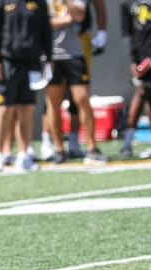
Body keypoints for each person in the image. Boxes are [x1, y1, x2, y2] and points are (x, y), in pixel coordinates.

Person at [0, 0, 52, 172]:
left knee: (27, 109)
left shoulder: (38, 3)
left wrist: (48, 58)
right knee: (3, 109)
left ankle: (23, 155)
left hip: (31, 62)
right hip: (7, 62)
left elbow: (46, 30)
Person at [44, 0, 107, 166]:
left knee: (82, 99)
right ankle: (59, 149)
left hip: (74, 53)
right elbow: (40, 21)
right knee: (53, 103)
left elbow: (79, 14)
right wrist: (64, 21)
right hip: (51, 54)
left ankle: (92, 148)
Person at [121, 0, 151, 159]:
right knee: (141, 93)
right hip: (141, 59)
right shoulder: (127, 4)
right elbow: (127, 33)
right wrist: (133, 61)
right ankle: (127, 142)